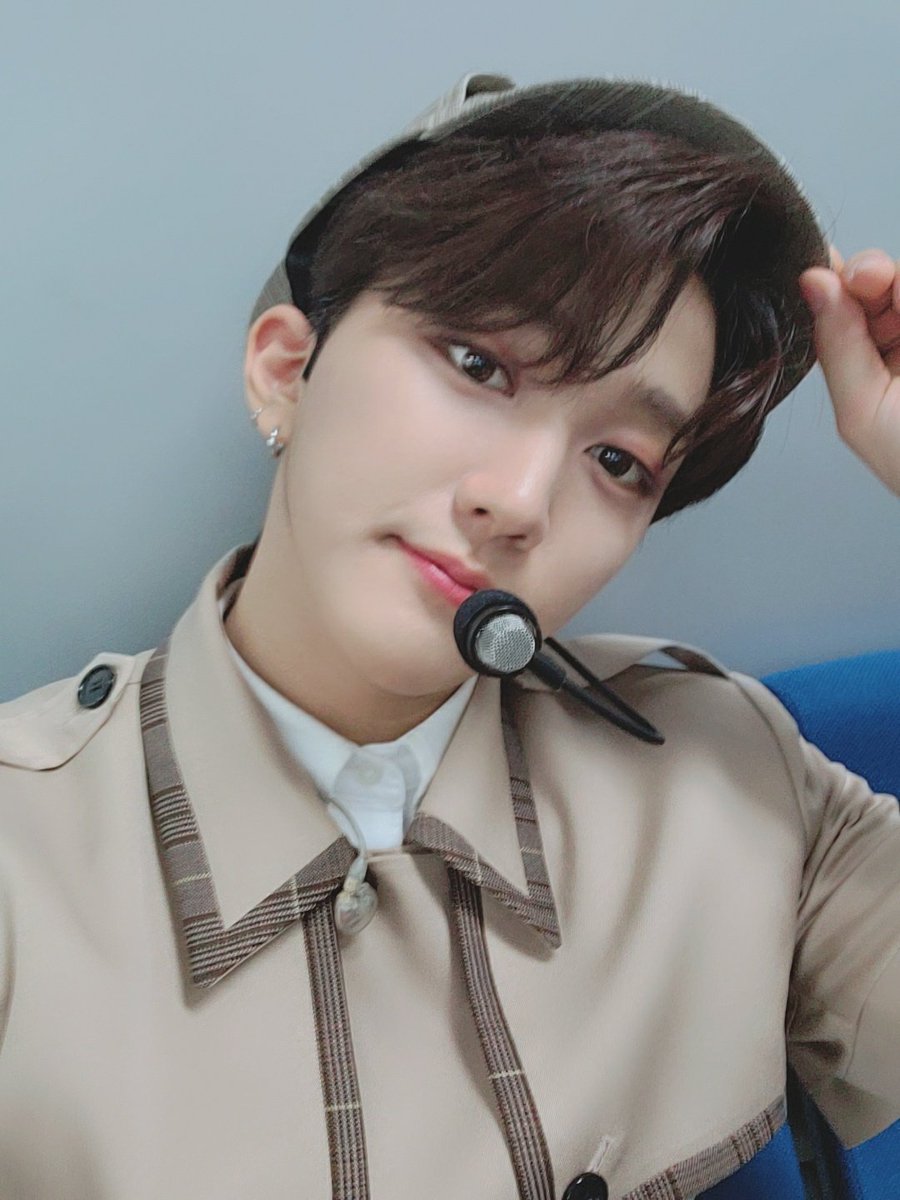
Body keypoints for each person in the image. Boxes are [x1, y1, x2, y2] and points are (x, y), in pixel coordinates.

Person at [0, 71, 897, 1200]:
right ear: (285, 370)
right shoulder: (25, 860)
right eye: (479, 365)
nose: (518, 502)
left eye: (617, 461)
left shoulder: (734, 779)